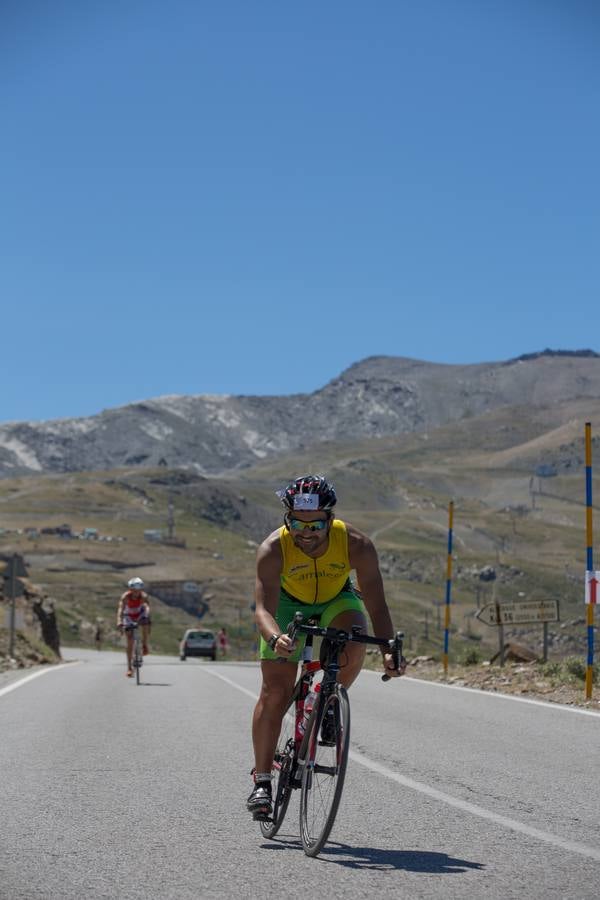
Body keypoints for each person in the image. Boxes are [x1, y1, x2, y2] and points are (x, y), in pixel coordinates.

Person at [247, 474, 405, 819]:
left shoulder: (356, 544)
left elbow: (378, 605)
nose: (305, 533)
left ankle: (329, 697)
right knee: (275, 692)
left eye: (315, 524)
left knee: (354, 635)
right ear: (286, 518)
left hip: (337, 599)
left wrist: (389, 649)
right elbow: (263, 609)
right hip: (287, 606)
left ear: (330, 519)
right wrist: (276, 638)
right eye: (296, 524)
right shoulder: (273, 549)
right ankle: (262, 781)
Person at [116, 577, 151, 677]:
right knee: (129, 641)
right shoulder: (125, 597)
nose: (136, 593)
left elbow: (147, 607)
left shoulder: (143, 596)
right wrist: (119, 621)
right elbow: (120, 610)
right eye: (134, 591)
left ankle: (144, 645)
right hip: (128, 616)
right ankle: (129, 668)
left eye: (138, 590)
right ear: (130, 590)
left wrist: (147, 616)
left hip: (140, 615)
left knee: (145, 623)